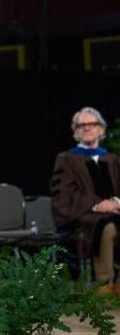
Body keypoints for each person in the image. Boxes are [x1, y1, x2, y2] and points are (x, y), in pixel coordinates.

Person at [49, 107, 120, 294]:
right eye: (82, 125)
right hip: (84, 216)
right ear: (76, 132)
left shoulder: (112, 159)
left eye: (92, 124)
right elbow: (64, 193)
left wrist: (116, 202)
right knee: (108, 228)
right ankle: (104, 284)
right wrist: (97, 204)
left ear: (101, 129)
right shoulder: (67, 159)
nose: (87, 128)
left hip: (115, 211)